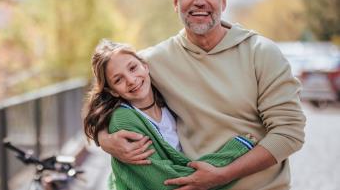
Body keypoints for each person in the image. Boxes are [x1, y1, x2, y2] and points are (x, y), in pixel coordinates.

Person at [97, 0, 306, 190]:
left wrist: (223, 175)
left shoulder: (261, 52)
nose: (199, 1)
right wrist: (104, 140)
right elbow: (103, 93)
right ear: (176, 3)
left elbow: (289, 133)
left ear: (223, 2)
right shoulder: (153, 62)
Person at [83, 39, 256, 190]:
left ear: (145, 66)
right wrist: (235, 150)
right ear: (113, 91)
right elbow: (165, 181)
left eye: (133, 68)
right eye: (118, 80)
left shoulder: (168, 99)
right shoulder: (124, 121)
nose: (131, 80)